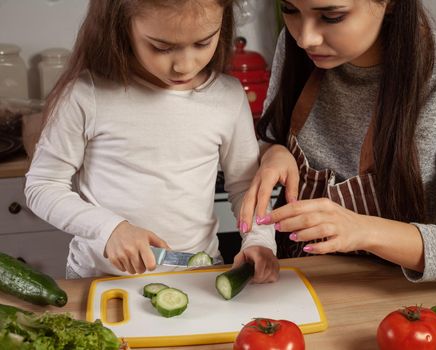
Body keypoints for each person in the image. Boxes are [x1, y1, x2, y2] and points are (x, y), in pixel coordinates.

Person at [239, 0, 436, 282]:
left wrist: (364, 231)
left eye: (332, 16)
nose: (305, 37)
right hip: (300, 282)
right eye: (290, 9)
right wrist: (273, 151)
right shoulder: (295, 48)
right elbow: (269, 136)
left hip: (400, 300)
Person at [24, 0, 279, 281]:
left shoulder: (228, 97)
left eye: (203, 43)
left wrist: (260, 240)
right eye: (162, 47)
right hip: (101, 277)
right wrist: (109, 228)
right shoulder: (86, 95)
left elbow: (245, 188)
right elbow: (43, 187)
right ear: (121, 27)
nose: (185, 65)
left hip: (197, 274)